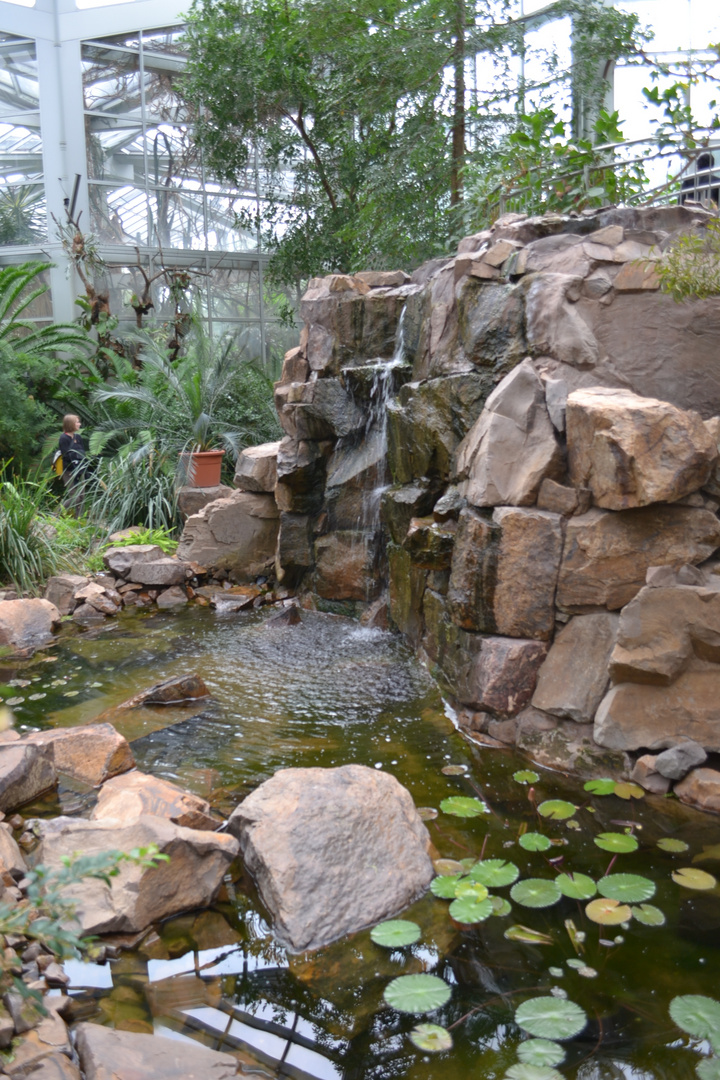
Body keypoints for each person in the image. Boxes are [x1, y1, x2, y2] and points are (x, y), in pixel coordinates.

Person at [58, 414, 87, 517]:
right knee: (74, 496)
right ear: (71, 424)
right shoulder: (63, 438)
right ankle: (55, 513)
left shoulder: (78, 437)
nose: (79, 424)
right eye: (77, 422)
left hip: (80, 469)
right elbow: (66, 455)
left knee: (82, 496)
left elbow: (82, 452)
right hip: (69, 471)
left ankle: (79, 519)